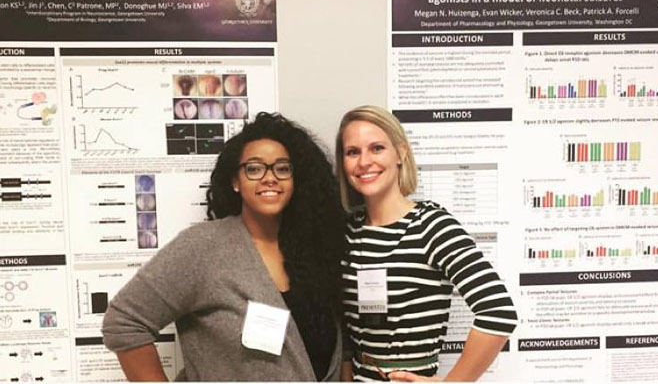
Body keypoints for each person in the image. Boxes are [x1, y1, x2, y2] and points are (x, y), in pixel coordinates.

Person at [102, 112, 345, 381]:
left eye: (282, 168)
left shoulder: (313, 249)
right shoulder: (203, 248)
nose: (269, 177)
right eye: (254, 168)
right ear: (235, 182)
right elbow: (124, 321)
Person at [335, 105, 517, 382]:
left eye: (377, 148)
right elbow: (344, 326)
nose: (364, 162)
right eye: (352, 152)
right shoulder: (348, 231)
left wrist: (453, 383)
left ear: (401, 153)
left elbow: (498, 311)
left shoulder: (431, 225)